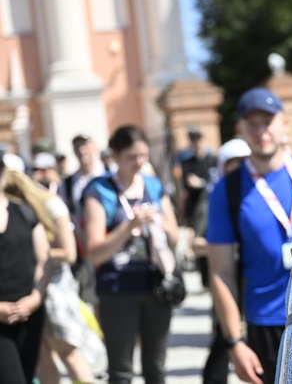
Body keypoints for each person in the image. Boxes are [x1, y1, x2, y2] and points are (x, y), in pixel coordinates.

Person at [206, 88, 292, 384]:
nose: (260, 130)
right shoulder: (227, 190)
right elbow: (221, 272)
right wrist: (233, 341)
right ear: (240, 129)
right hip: (266, 323)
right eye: (251, 123)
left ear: (285, 124)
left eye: (267, 121)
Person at [82, 125, 180, 384]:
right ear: (114, 155)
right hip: (117, 289)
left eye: (143, 156)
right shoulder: (99, 190)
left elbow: (175, 237)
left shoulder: (153, 185)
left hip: (156, 285)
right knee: (121, 370)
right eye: (131, 157)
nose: (139, 162)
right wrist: (130, 226)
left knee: (156, 366)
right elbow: (95, 252)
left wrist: (159, 223)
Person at [5, 168, 105, 384]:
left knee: (68, 353)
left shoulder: (49, 205)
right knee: (43, 357)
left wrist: (26, 250)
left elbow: (69, 253)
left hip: (54, 289)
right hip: (33, 289)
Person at [202, 138, 252, 384]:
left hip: (253, 279)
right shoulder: (217, 194)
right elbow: (197, 239)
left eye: (244, 161)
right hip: (228, 278)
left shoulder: (256, 190)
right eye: (233, 162)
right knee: (225, 338)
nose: (239, 167)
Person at [0, 152, 52, 383]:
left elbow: (44, 259)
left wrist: (35, 298)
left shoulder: (24, 211)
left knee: (27, 375)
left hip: (29, 312)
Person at [59, 134, 107, 309]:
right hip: (84, 247)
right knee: (93, 295)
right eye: (77, 146)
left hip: (112, 242)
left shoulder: (109, 174)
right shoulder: (69, 183)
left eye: (85, 145)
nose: (82, 150)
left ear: (94, 147)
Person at [180, 126, 218, 276]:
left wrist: (200, 183)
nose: (196, 142)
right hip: (196, 207)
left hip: (212, 206)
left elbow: (214, 182)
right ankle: (204, 276)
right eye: (193, 139)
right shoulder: (187, 162)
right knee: (199, 240)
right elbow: (186, 184)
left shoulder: (213, 160)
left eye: (198, 138)